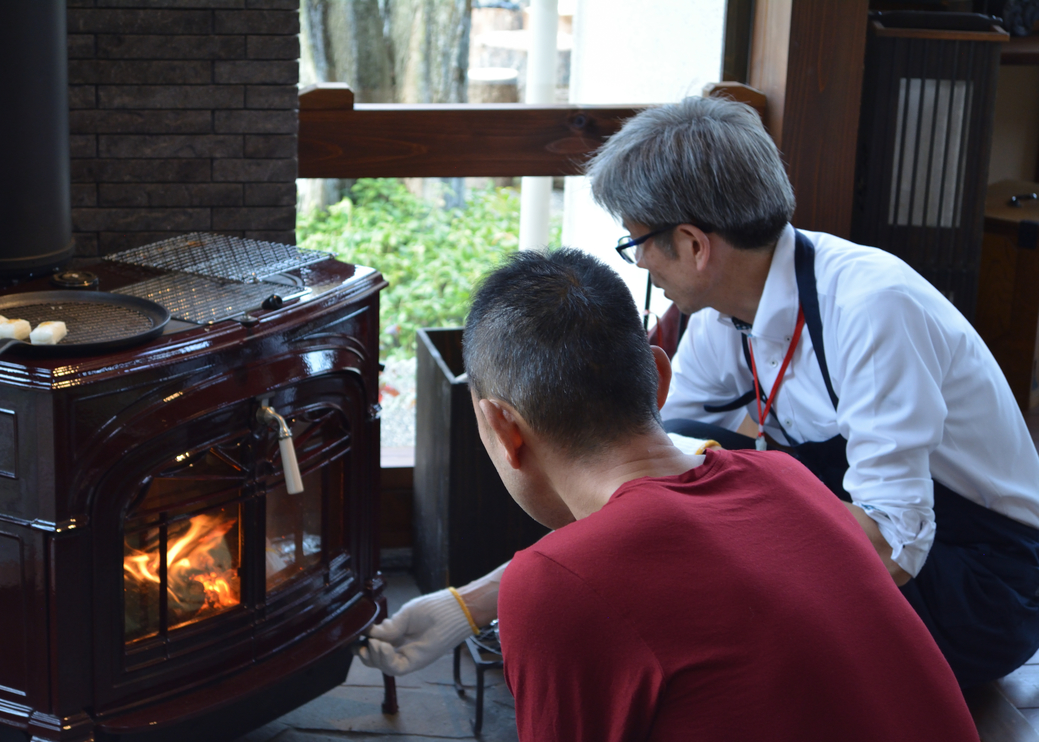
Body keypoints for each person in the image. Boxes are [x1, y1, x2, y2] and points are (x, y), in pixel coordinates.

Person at [361, 96, 1039, 689]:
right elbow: (646, 480)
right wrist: (476, 600)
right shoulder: (724, 314)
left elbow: (893, 548)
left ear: (691, 245)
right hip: (880, 548)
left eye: (636, 244)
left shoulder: (871, 307)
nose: (640, 264)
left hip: (981, 584)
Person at [377, 247, 980, 741]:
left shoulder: (556, 586)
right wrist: (466, 605)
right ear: (660, 379)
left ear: (504, 427)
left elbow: (613, 569)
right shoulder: (789, 481)